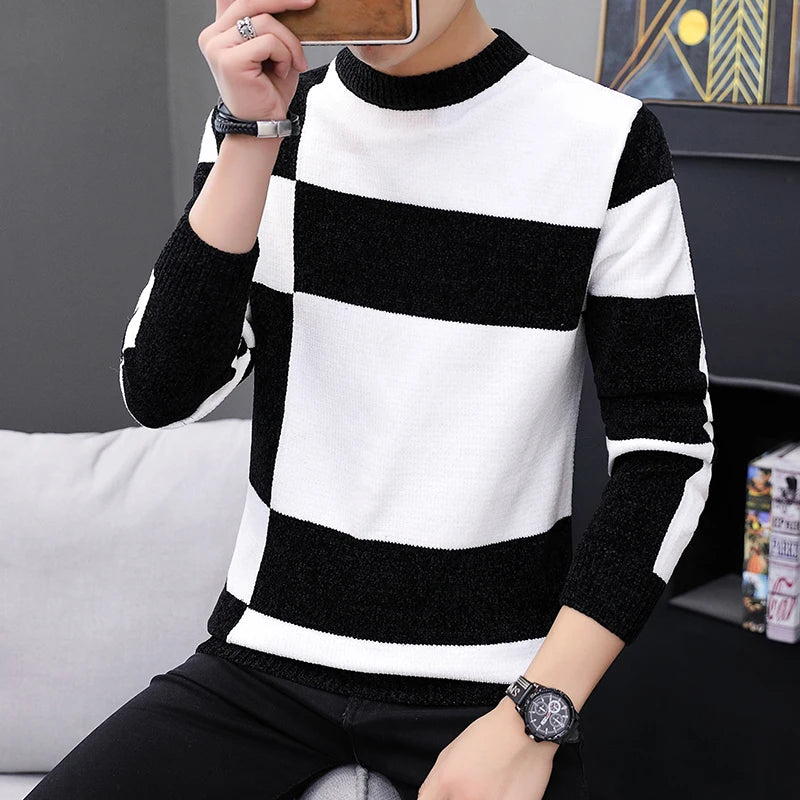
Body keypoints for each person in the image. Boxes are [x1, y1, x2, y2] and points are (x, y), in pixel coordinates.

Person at [26, 0, 715, 798]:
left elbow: (666, 455)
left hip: (491, 689)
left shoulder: (604, 139)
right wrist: (251, 135)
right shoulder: (267, 122)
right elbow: (160, 393)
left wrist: (535, 715)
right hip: (261, 666)